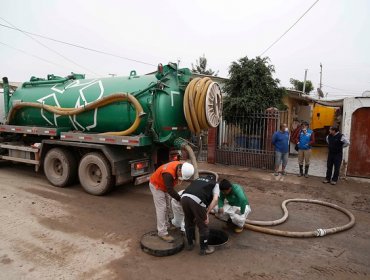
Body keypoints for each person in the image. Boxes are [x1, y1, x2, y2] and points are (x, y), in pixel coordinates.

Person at [149, 161, 194, 242]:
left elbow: (169, 188)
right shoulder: (168, 173)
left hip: (165, 186)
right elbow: (170, 189)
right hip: (157, 186)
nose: (181, 177)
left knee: (168, 206)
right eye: (181, 175)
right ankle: (162, 232)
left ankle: (166, 224)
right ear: (179, 170)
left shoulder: (181, 166)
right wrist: (180, 199)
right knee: (162, 209)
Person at [181, 177, 219, 255]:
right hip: (197, 200)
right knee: (203, 226)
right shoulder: (216, 184)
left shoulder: (198, 179)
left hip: (184, 197)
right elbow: (215, 200)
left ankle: (190, 244)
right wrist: (207, 213)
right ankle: (204, 249)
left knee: (188, 221)